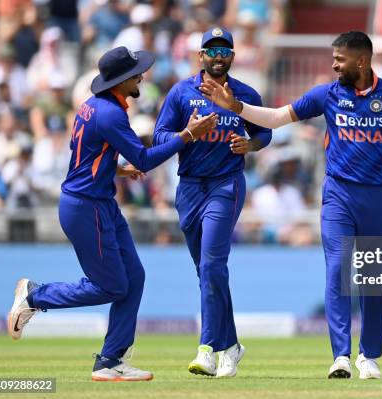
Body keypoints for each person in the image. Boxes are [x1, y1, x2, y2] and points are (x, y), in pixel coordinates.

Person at [201, 31, 382, 379]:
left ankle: (368, 356)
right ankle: (340, 355)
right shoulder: (327, 94)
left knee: (374, 279)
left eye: (339, 59)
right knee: (337, 269)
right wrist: (237, 107)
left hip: (379, 198)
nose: (334, 64)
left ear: (361, 61)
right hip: (338, 195)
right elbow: (279, 117)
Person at [7, 46, 217, 381]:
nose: (141, 77)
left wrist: (115, 170)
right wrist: (189, 134)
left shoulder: (93, 107)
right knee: (111, 286)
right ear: (121, 81)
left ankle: (111, 360)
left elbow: (85, 154)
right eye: (136, 74)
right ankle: (35, 294)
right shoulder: (110, 114)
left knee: (134, 278)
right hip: (86, 207)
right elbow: (146, 160)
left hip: (99, 201)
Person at [153, 27, 272, 378]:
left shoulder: (245, 93)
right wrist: (187, 133)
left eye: (225, 52)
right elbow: (159, 135)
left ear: (233, 57)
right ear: (201, 56)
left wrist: (249, 146)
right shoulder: (181, 92)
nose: (218, 57)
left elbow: (264, 131)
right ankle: (232, 346)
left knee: (211, 266)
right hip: (189, 187)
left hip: (226, 183)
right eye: (211, 51)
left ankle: (207, 348)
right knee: (208, 272)